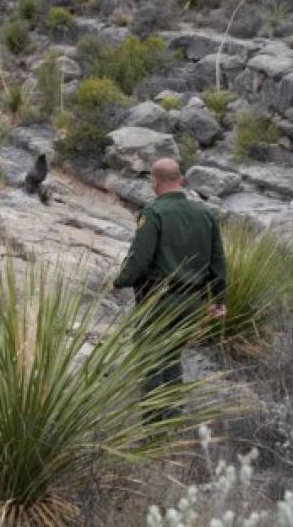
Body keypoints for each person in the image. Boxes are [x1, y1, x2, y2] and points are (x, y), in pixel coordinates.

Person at [113, 158, 227, 422]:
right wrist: (218, 300)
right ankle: (173, 420)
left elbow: (139, 259)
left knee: (150, 359)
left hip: (159, 301)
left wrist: (119, 282)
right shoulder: (206, 214)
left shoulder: (153, 214)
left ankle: (155, 429)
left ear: (155, 182)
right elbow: (218, 263)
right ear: (181, 180)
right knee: (172, 356)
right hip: (193, 303)